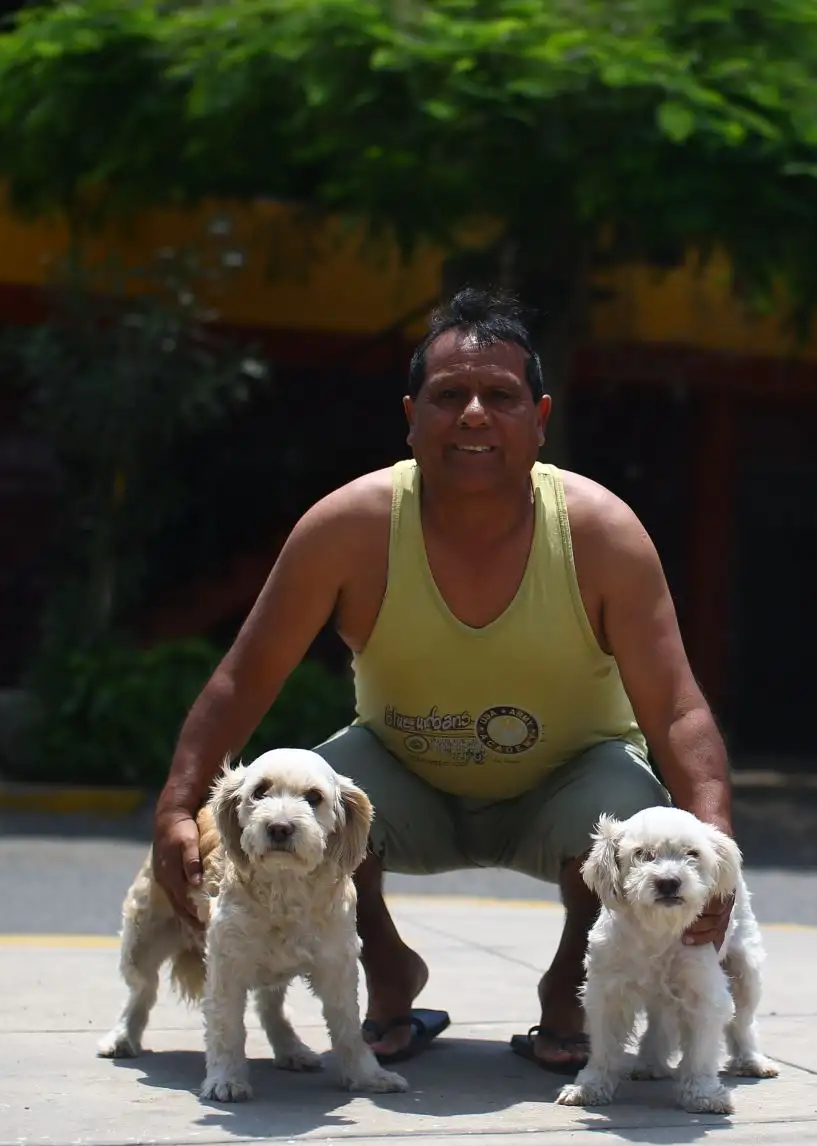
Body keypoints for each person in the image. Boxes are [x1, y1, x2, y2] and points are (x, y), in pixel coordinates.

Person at [149, 285, 736, 1074]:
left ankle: (570, 985)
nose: (473, 415)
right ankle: (388, 970)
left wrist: (716, 842)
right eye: (448, 395)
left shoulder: (601, 532)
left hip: (565, 786)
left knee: (632, 812)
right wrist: (176, 805)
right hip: (404, 783)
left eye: (500, 396)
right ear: (411, 415)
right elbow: (244, 676)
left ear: (540, 418)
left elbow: (677, 709)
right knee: (318, 792)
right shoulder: (349, 527)